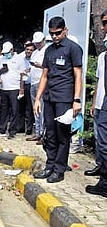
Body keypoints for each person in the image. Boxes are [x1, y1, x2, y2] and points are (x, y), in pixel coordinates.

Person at [33, 16, 83, 183]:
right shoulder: (49, 50)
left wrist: (77, 100)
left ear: (65, 30)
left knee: (63, 135)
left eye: (58, 33)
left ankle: (59, 169)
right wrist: (38, 98)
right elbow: (45, 76)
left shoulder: (73, 48)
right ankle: (50, 165)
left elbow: (78, 76)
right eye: (52, 33)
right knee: (50, 134)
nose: (54, 36)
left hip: (65, 99)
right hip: (49, 97)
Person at [86, 13, 107, 197]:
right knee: (101, 142)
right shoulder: (103, 57)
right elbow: (99, 82)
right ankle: (101, 170)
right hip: (101, 104)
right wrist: (94, 103)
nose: (102, 28)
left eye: (105, 24)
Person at [0, 41, 25, 139]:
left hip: (14, 88)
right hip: (3, 88)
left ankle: (12, 130)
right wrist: (1, 71)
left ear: (12, 50)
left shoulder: (19, 59)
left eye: (8, 52)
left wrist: (21, 88)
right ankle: (1, 129)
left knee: (14, 110)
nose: (6, 54)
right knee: (3, 110)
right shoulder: (2, 59)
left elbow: (22, 74)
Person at [28, 31, 48, 144]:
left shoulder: (47, 51)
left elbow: (47, 67)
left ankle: (43, 134)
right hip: (33, 83)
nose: (37, 45)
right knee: (35, 109)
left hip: (42, 83)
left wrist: (38, 65)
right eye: (36, 43)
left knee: (43, 109)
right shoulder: (35, 52)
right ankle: (38, 133)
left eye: (39, 43)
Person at [18, 41, 35, 135]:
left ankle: (29, 128)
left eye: (31, 50)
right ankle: (20, 127)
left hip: (31, 84)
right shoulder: (21, 59)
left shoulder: (35, 59)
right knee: (21, 107)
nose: (29, 51)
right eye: (27, 49)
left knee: (29, 108)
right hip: (21, 84)